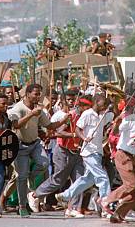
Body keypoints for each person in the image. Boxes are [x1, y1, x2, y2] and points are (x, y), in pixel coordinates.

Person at [8, 83, 67, 217]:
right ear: (27, 94)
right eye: (35, 94)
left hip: (34, 144)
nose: (38, 96)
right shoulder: (18, 108)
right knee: (21, 177)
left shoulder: (38, 110)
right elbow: (16, 125)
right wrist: (30, 114)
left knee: (44, 163)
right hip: (20, 146)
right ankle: (22, 206)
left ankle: (31, 177)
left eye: (39, 94)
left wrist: (64, 120)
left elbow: (49, 125)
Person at [55, 94, 114, 217]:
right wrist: (84, 138)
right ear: (96, 102)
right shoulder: (87, 114)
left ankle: (65, 196)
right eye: (103, 103)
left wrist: (112, 102)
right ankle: (105, 204)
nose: (104, 106)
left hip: (98, 151)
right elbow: (77, 129)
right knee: (103, 177)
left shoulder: (103, 115)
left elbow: (114, 114)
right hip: (89, 152)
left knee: (88, 179)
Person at [31, 90, 86, 218]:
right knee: (58, 180)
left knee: (79, 180)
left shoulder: (83, 115)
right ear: (63, 101)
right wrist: (74, 134)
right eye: (69, 99)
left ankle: (72, 208)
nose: (72, 101)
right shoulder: (67, 116)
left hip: (77, 152)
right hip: (63, 151)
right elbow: (56, 133)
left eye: (74, 99)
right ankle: (35, 195)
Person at [101, 100, 135, 223]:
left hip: (132, 157)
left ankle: (118, 215)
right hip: (122, 155)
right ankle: (107, 200)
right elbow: (116, 132)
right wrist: (118, 120)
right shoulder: (131, 119)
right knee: (130, 185)